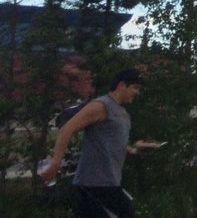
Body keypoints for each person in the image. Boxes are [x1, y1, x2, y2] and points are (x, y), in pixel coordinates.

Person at [40, 68, 150, 217]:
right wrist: (55, 163)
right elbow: (67, 129)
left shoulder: (122, 113)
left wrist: (135, 149)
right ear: (122, 85)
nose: (137, 92)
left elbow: (112, 143)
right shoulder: (101, 106)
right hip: (93, 184)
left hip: (110, 182)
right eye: (135, 87)